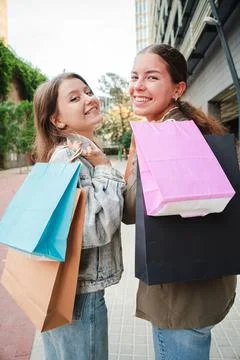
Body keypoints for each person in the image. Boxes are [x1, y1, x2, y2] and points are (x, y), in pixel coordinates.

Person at [123, 44, 237, 360]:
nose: (137, 86)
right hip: (209, 285)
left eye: (152, 77)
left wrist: (132, 157)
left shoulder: (165, 139)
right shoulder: (195, 128)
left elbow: (131, 210)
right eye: (134, 76)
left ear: (178, 88)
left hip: (180, 297)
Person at [33, 72, 125, 360]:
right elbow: (93, 229)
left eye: (87, 91)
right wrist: (105, 168)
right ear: (57, 120)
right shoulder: (70, 158)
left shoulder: (76, 154)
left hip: (68, 289)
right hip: (77, 294)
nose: (88, 99)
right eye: (75, 98)